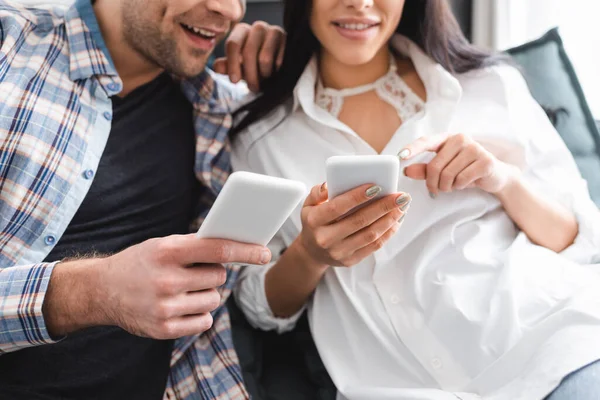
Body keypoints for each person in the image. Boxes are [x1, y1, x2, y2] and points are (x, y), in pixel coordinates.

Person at [230, 0, 600, 399]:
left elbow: (579, 240)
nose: (360, 3)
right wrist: (310, 254)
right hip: (398, 387)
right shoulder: (260, 136)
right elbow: (258, 305)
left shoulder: (490, 84)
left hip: (556, 347)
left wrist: (502, 180)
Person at [0, 0, 285, 398]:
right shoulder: (11, 45)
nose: (229, 10)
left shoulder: (219, 107)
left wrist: (294, 56)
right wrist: (91, 292)